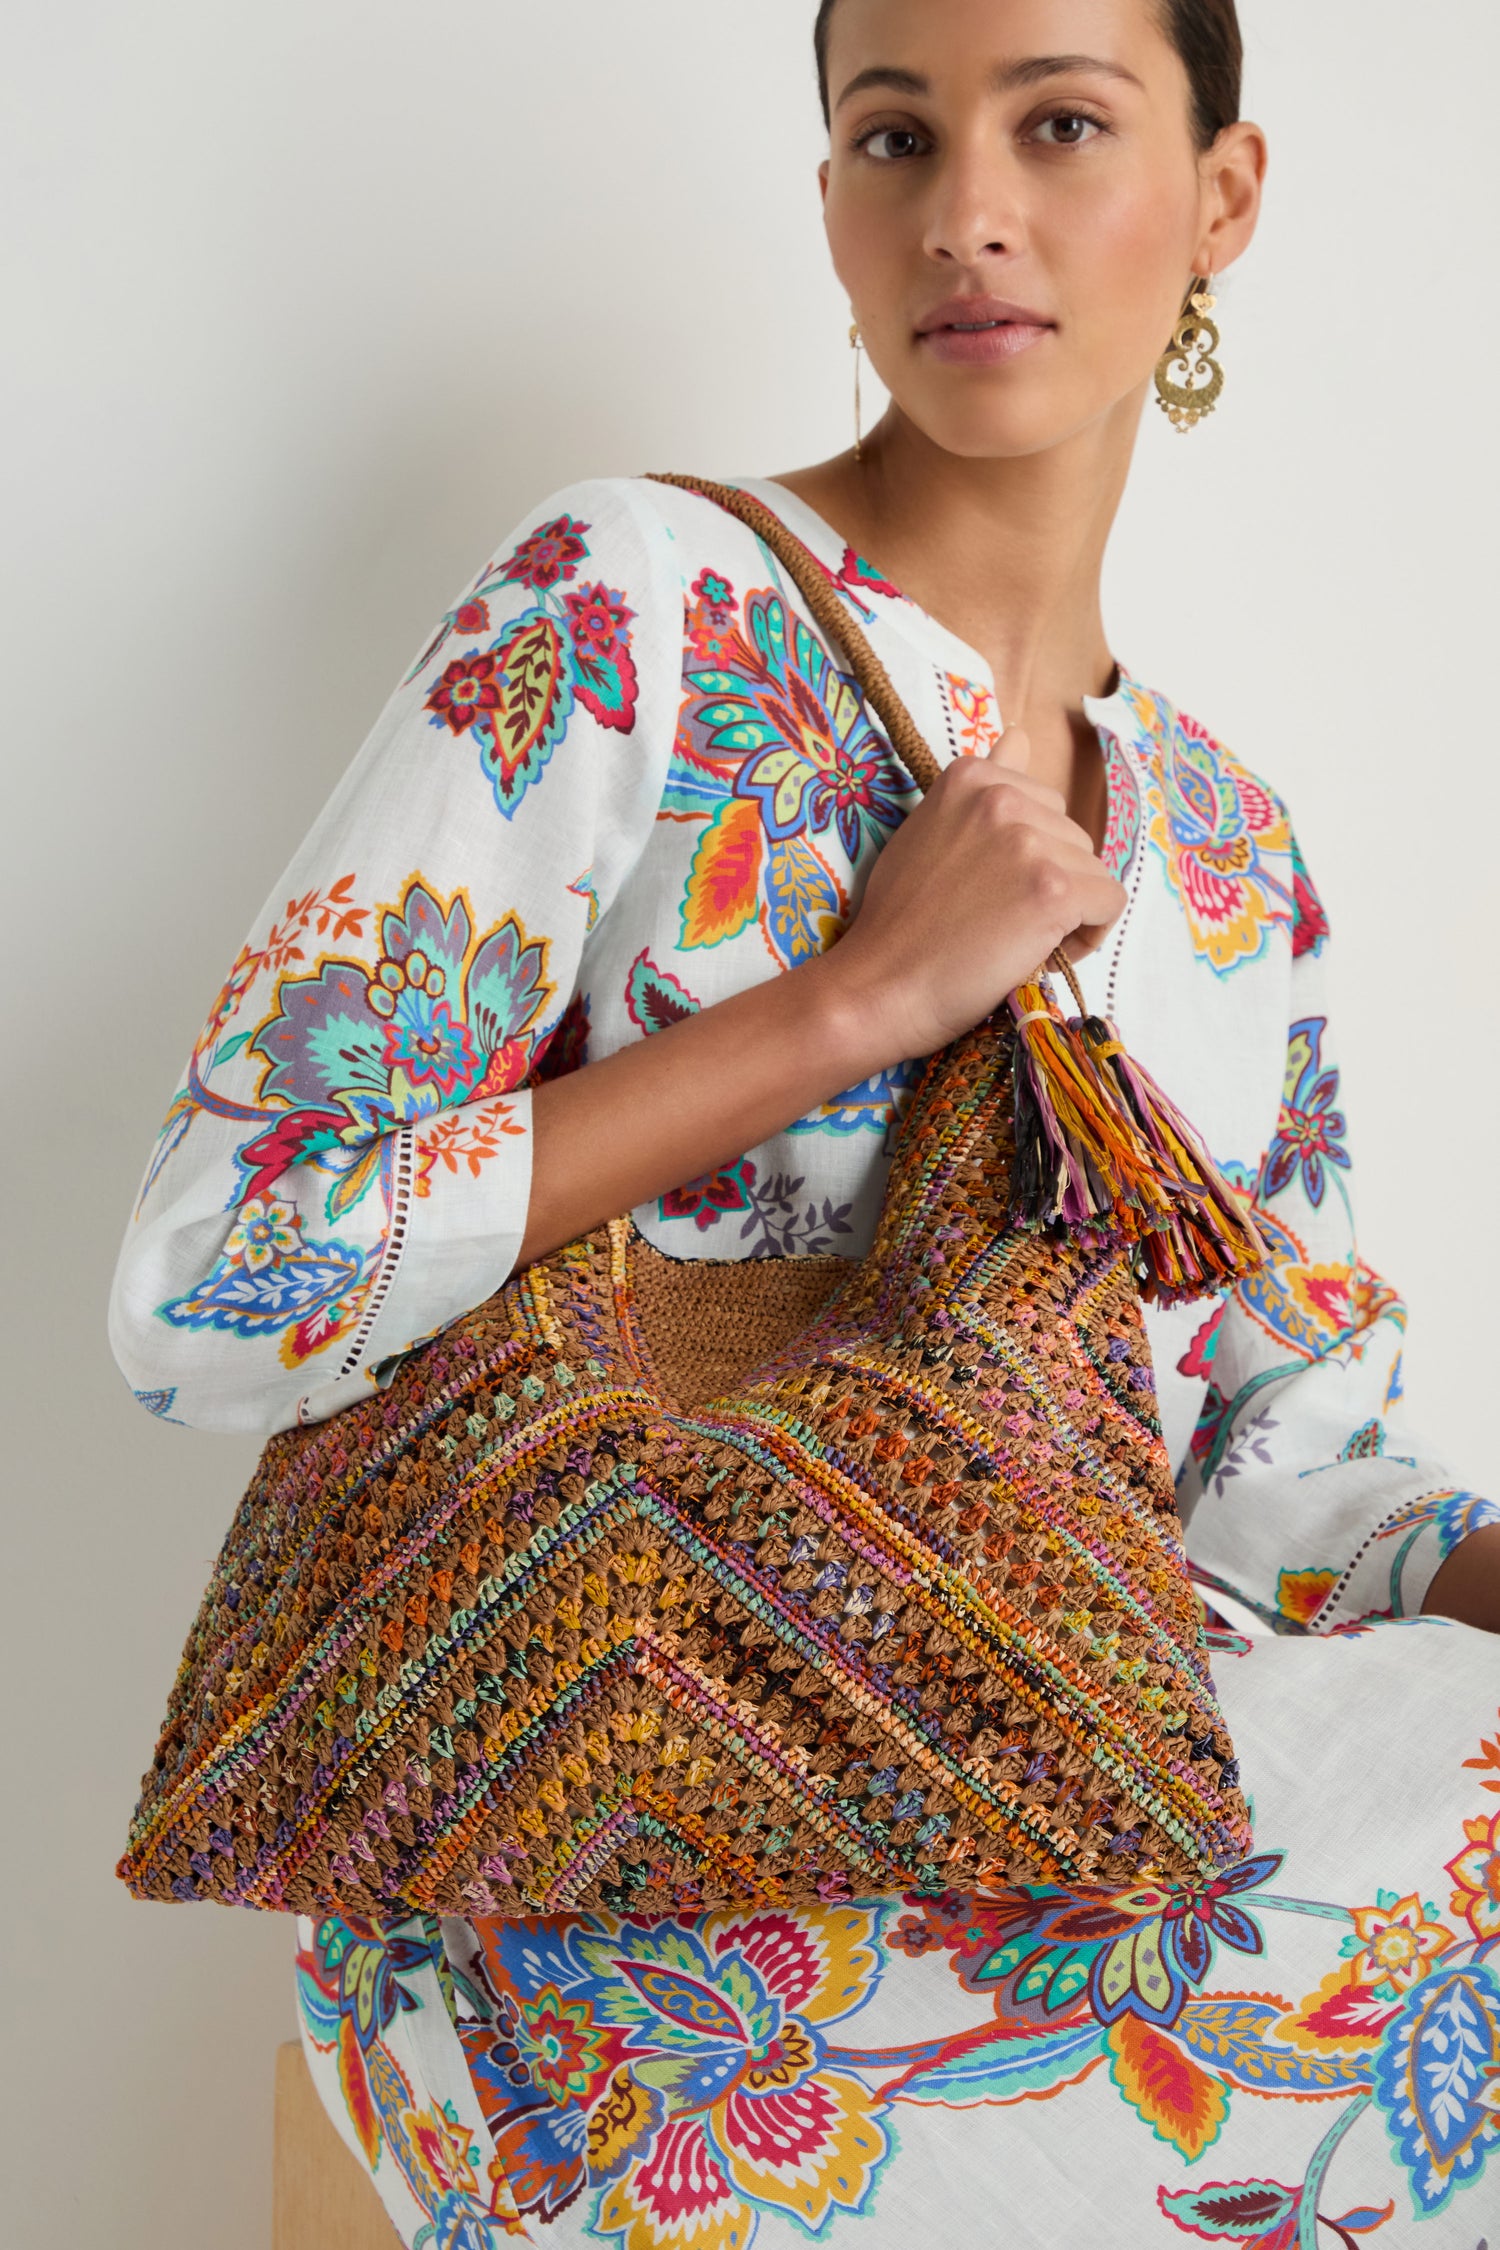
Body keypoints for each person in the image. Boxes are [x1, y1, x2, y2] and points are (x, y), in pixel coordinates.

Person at [110, 1, 1500, 2241]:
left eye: (1062, 124)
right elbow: (209, 1282)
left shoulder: (1235, 867)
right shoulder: (633, 603)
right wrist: (856, 996)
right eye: (891, 136)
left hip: (1050, 1812)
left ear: (1221, 199)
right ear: (833, 211)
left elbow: (1277, 1480)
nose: (968, 212)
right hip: (593, 1831)